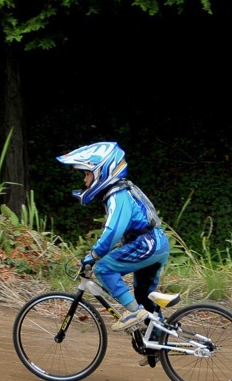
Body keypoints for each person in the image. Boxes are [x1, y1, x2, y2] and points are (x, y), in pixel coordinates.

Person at [57, 141, 171, 332]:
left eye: (87, 174)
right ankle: (157, 340)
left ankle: (134, 314)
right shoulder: (120, 192)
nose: (85, 181)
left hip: (146, 244)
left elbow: (113, 231)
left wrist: (93, 256)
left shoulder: (117, 195)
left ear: (103, 171)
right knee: (144, 297)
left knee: (104, 269)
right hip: (155, 244)